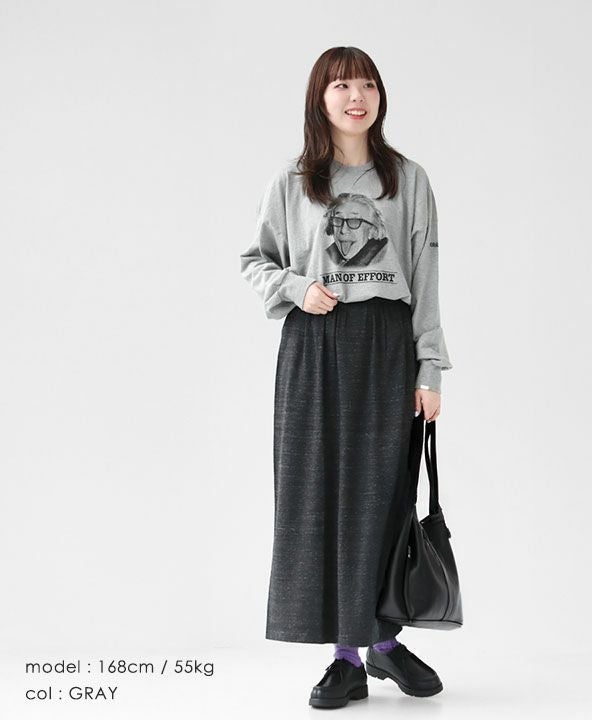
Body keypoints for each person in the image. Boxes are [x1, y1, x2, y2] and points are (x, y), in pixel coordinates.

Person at [239, 46, 453, 709]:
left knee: (384, 495)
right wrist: (296, 289)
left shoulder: (408, 179)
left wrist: (429, 366)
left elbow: (425, 278)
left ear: (380, 97)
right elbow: (255, 260)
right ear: (320, 99)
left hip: (386, 344)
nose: (355, 97)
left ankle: (383, 642)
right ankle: (346, 658)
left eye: (366, 85)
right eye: (340, 86)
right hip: (313, 344)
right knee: (318, 494)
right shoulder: (294, 180)